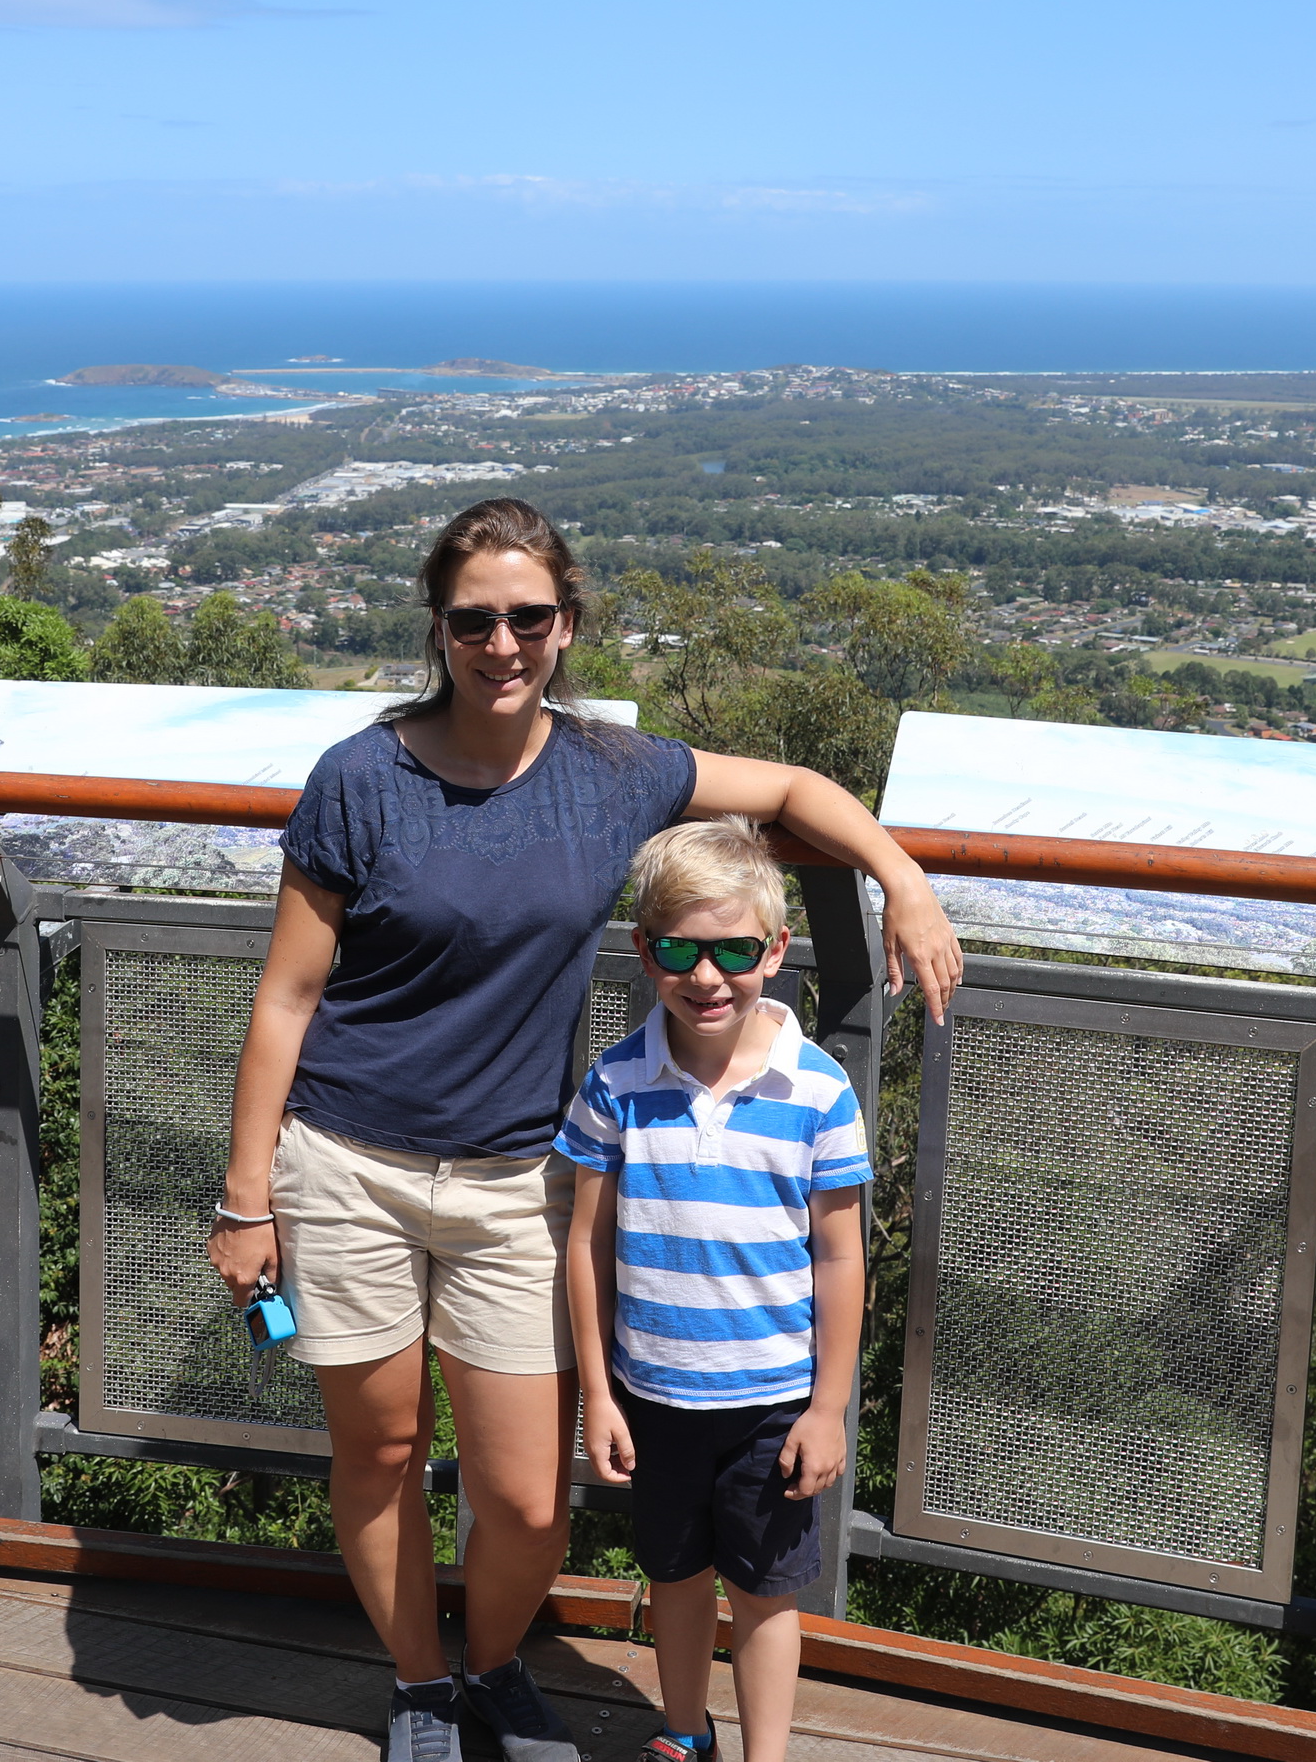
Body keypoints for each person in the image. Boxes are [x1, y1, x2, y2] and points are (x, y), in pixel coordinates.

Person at [204, 497, 959, 1762]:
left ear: (567, 623)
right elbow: (287, 996)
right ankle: (422, 1684)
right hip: (345, 1162)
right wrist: (245, 1196)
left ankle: (493, 1657)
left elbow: (791, 785)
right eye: (474, 619)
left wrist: (906, 877)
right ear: (438, 627)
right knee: (381, 1446)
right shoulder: (360, 776)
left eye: (529, 617)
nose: (502, 643)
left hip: (515, 1176)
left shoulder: (611, 771)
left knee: (525, 1496)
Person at [559, 820, 865, 1762]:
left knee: (767, 1593)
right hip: (654, 1396)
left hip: (772, 1400)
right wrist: (599, 1394)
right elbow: (586, 1241)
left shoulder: (817, 1092)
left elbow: (840, 1258)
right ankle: (684, 1734)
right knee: (677, 1576)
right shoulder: (615, 1082)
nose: (707, 977)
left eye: (734, 949)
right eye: (679, 951)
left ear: (775, 949)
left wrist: (828, 1407)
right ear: (645, 951)